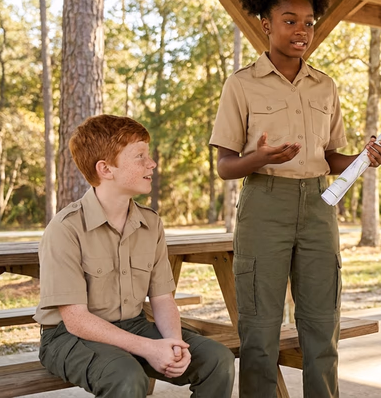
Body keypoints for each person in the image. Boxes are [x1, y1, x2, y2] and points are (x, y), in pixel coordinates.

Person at [209, 0, 381, 398]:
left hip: (318, 205)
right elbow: (224, 166)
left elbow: (331, 159)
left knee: (322, 327)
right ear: (265, 23)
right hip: (264, 205)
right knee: (259, 330)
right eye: (290, 20)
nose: (301, 30)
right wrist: (260, 157)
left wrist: (365, 158)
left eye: (309, 22)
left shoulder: (325, 87)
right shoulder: (241, 85)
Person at [35, 115, 235, 398]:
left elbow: (163, 299)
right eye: (139, 156)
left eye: (148, 155)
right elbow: (77, 320)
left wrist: (174, 344)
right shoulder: (65, 229)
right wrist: (150, 348)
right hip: (69, 336)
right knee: (126, 378)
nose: (151, 163)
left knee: (217, 359)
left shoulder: (151, 223)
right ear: (105, 169)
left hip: (133, 323)